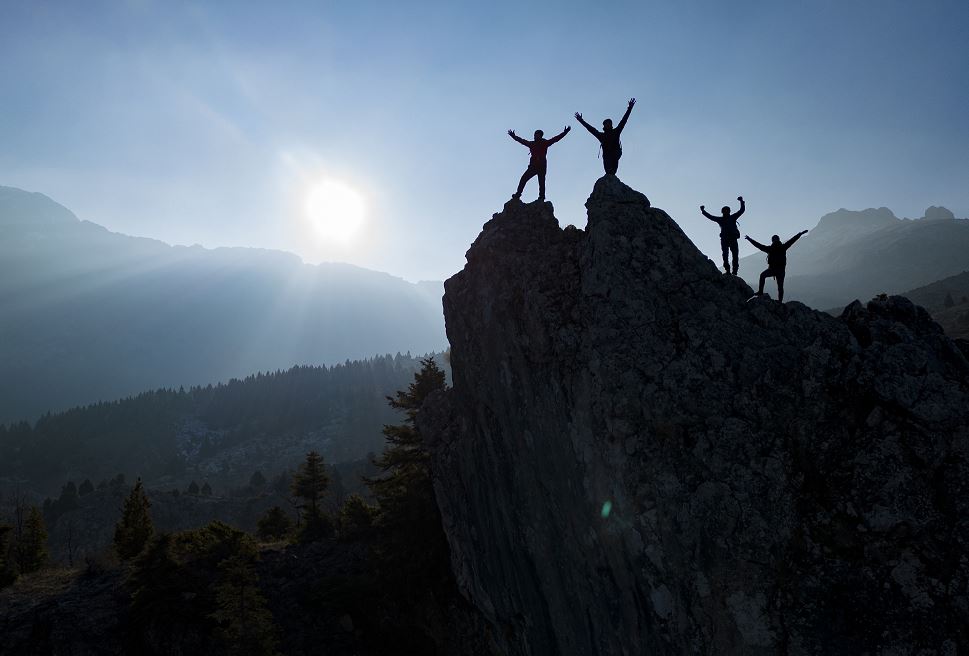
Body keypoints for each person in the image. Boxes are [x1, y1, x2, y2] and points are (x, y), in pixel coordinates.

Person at [508, 126, 571, 201]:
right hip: (534, 166)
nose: (534, 136)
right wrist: (514, 136)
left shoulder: (545, 143)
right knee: (524, 179)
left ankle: (541, 197)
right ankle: (518, 194)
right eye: (534, 135)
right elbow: (522, 141)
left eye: (536, 135)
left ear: (540, 136)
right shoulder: (532, 144)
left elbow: (556, 139)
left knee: (541, 182)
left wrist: (565, 132)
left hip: (541, 166)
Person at [574, 98, 636, 175]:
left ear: (611, 125)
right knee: (609, 171)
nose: (608, 125)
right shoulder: (601, 136)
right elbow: (590, 129)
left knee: (613, 171)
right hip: (607, 157)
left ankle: (611, 175)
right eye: (606, 124)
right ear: (604, 126)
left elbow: (624, 120)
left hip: (615, 155)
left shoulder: (616, 131)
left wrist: (629, 108)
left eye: (609, 123)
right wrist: (581, 120)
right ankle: (609, 176)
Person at [745, 230, 809, 302]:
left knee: (762, 275)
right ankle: (780, 301)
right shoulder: (783, 247)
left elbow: (759, 246)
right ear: (779, 240)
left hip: (772, 270)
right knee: (780, 287)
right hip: (781, 271)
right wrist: (800, 234)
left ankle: (760, 292)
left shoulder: (770, 249)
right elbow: (792, 240)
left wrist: (749, 239)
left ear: (772, 241)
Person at [701, 196, 745, 274]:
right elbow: (710, 217)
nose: (726, 212)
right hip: (725, 239)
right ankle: (728, 270)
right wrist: (703, 211)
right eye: (725, 211)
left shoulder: (732, 217)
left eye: (727, 211)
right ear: (722, 212)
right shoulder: (721, 219)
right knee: (725, 256)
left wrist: (741, 201)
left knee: (734, 255)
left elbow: (742, 210)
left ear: (729, 211)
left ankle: (734, 271)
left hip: (732, 239)